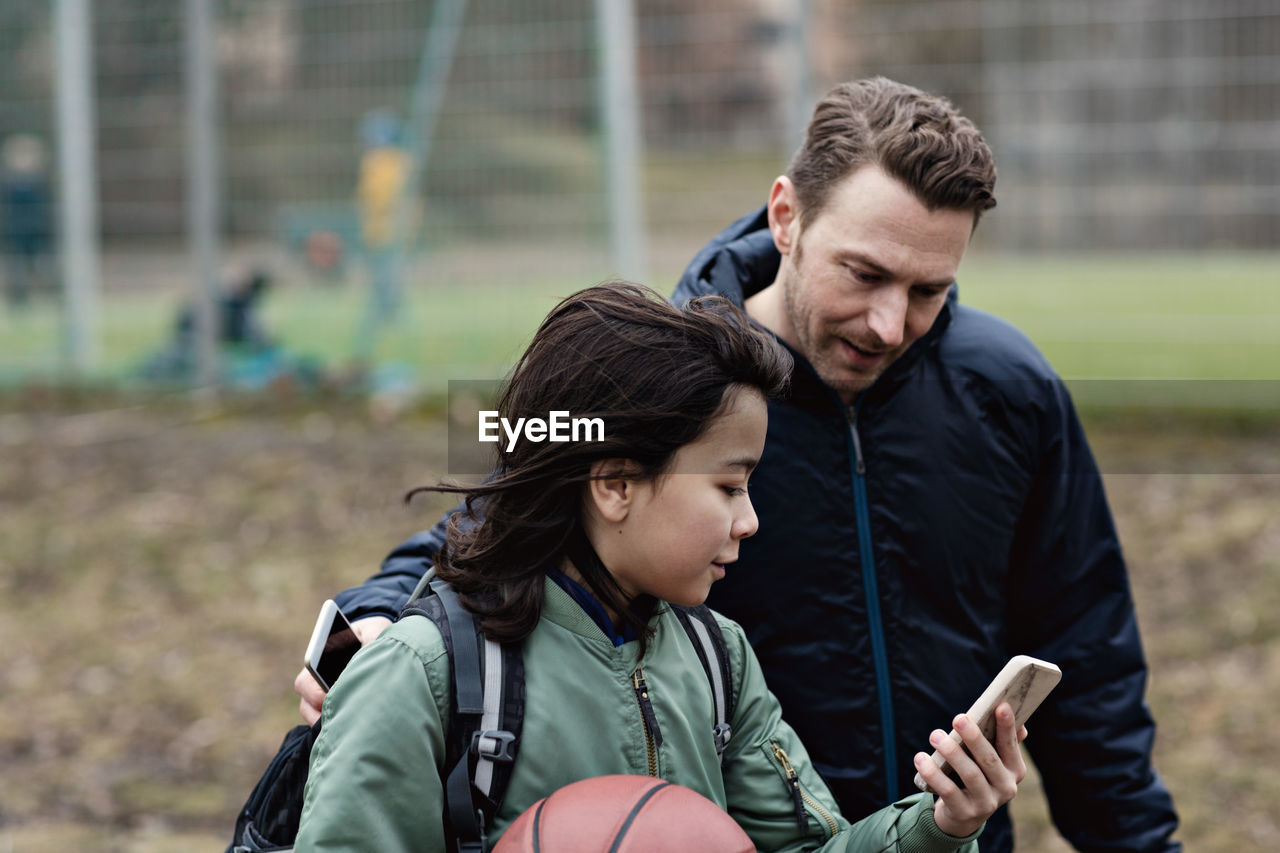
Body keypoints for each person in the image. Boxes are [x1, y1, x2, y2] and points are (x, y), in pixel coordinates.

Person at [298, 78, 1181, 852]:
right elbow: (498, 517)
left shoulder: (1011, 389)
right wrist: (373, 622)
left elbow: (1087, 648)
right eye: (864, 273)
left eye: (927, 291)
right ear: (786, 216)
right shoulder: (667, 382)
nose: (887, 323)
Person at [295, 282, 1028, 851]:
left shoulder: (718, 660)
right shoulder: (427, 674)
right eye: (729, 486)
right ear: (615, 484)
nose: (750, 520)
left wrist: (940, 823)